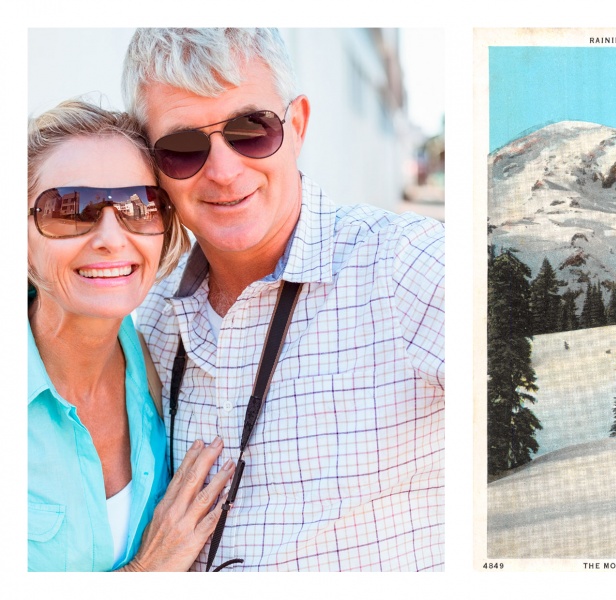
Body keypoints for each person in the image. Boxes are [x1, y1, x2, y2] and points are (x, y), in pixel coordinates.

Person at [124, 28, 445, 571]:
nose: (224, 172)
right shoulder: (151, 317)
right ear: (155, 170)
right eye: (183, 148)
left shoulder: (405, 266)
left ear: (296, 126)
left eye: (251, 130)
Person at [27, 100, 235, 571]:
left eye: (137, 208)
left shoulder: (157, 366)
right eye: (71, 209)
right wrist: (146, 572)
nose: (111, 237)